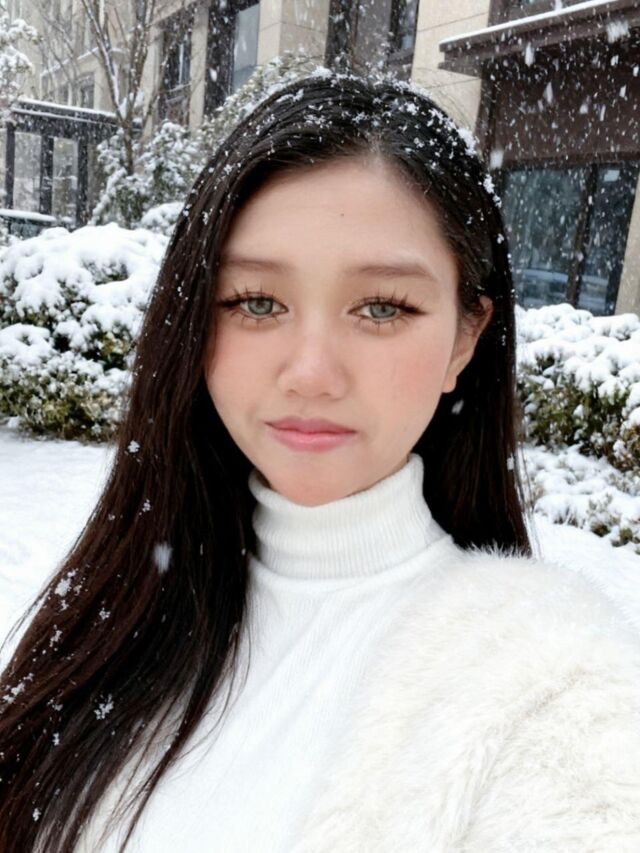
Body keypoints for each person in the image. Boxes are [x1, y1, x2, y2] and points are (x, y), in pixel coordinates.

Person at [1, 69, 639, 853]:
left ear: (465, 337)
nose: (310, 372)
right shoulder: (121, 618)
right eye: (256, 302)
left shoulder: (555, 694)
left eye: (382, 307)